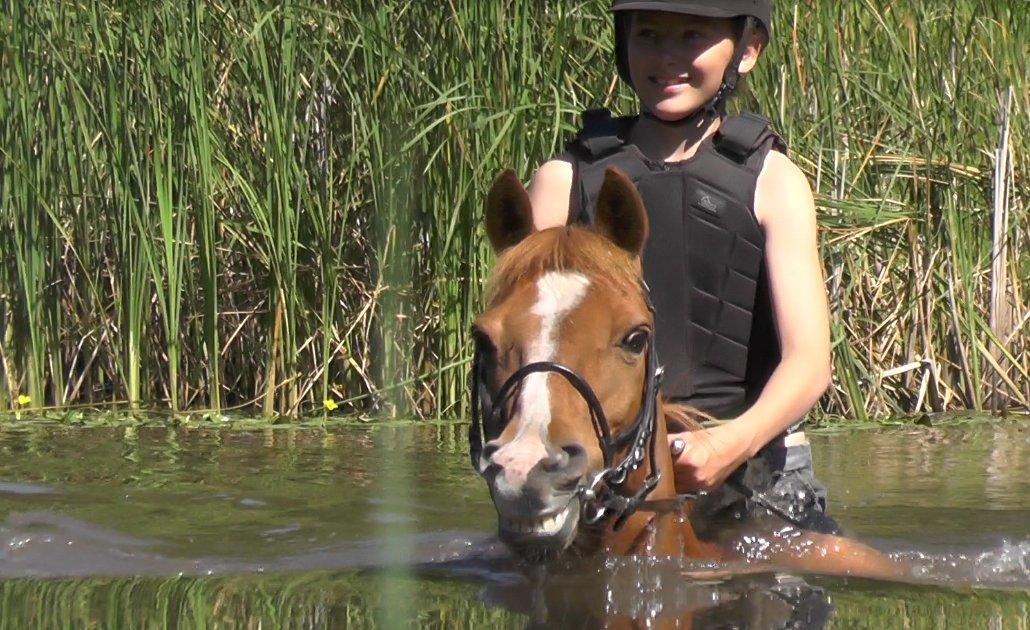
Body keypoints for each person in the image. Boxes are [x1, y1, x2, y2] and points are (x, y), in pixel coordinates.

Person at [528, 0, 841, 537]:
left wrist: (730, 443)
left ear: (747, 51)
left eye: (692, 36)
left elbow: (809, 363)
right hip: (598, 471)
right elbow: (527, 348)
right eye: (648, 35)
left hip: (753, 475)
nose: (667, 56)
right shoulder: (564, 182)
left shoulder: (774, 182)